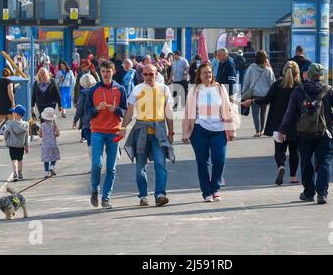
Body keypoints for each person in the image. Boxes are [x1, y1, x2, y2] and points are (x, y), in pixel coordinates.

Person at [278, 63, 333, 204]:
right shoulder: (329, 91)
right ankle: (322, 193)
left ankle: (309, 192)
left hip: (304, 134)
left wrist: (283, 130)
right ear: (322, 76)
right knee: (324, 162)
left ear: (308, 75)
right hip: (325, 133)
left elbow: (290, 113)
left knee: (306, 162)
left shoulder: (299, 91)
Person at [182, 63, 238, 202]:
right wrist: (185, 132)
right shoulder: (194, 90)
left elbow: (227, 108)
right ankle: (207, 192)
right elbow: (188, 113)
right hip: (199, 130)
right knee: (202, 162)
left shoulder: (219, 88)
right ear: (199, 76)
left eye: (209, 72)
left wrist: (231, 130)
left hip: (218, 130)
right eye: (204, 73)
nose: (207, 75)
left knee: (219, 160)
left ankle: (215, 188)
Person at [121, 64, 175, 207]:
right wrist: (123, 127)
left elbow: (168, 113)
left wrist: (171, 132)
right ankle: (143, 196)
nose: (148, 77)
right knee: (140, 167)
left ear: (157, 74)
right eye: (145, 74)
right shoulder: (137, 89)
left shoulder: (164, 89)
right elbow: (130, 111)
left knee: (160, 164)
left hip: (159, 132)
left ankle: (160, 194)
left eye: (151, 74)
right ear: (142, 75)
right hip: (141, 132)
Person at [242, 61, 301, 185]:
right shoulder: (299, 87)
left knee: (279, 150)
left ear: (283, 71)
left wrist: (251, 101)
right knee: (294, 151)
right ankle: (293, 177)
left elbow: (266, 100)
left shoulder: (277, 85)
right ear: (297, 72)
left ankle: (281, 166)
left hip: (278, 124)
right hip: (294, 124)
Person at [86, 60, 128, 209]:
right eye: (103, 71)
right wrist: (97, 109)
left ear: (113, 71)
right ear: (100, 73)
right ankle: (95, 190)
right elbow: (88, 113)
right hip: (97, 131)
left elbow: (125, 111)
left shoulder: (120, 89)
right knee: (96, 164)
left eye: (108, 71)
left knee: (111, 168)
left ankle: (106, 198)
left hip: (114, 132)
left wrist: (115, 110)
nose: (106, 74)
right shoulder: (93, 90)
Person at [241, 50, 275, 137]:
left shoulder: (251, 68)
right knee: (263, 113)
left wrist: (244, 92)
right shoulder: (268, 70)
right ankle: (262, 130)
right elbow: (273, 83)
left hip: (254, 94)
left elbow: (247, 81)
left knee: (255, 113)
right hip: (265, 95)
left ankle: (257, 131)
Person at [73, 74, 97, 161]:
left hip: (87, 122)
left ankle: (94, 164)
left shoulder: (84, 93)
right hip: (99, 121)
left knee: (90, 144)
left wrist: (75, 120)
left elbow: (80, 109)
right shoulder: (98, 90)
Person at [4, 105, 29, 182]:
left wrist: (6, 140)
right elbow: (26, 136)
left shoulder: (10, 124)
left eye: (13, 112)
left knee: (14, 160)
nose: (12, 113)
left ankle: (15, 174)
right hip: (21, 145)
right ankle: (20, 174)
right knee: (20, 160)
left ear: (17, 114)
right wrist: (26, 146)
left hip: (12, 144)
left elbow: (6, 133)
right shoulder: (26, 125)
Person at [39, 107, 61, 178]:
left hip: (45, 145)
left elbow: (40, 135)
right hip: (53, 144)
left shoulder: (42, 125)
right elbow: (57, 134)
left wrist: (45, 136)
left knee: (46, 159)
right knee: (54, 157)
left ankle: (46, 173)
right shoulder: (54, 125)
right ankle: (52, 167)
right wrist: (53, 135)